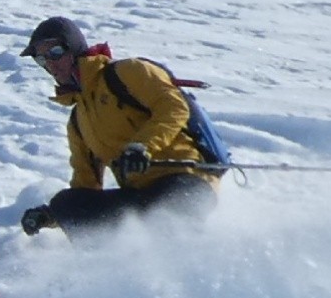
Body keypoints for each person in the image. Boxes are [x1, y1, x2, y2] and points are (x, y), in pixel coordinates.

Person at [19, 16, 220, 238]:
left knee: (166, 216)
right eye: (41, 59)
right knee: (67, 203)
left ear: (73, 48)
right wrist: (52, 216)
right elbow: (86, 186)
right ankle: (116, 259)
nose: (50, 63)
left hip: (187, 181)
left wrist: (143, 147)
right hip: (141, 196)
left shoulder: (127, 73)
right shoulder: (79, 121)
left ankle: (193, 250)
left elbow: (174, 108)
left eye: (55, 52)